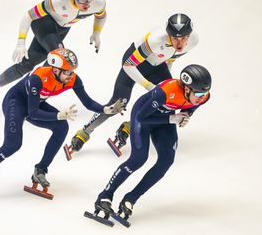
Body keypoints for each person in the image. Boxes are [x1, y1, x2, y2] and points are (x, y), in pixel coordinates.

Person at [0, 48, 125, 205]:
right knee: (12, 145)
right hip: (16, 103)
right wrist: (58, 115)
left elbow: (87, 102)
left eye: (72, 71)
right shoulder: (38, 78)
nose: (70, 76)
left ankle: (40, 170)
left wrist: (105, 109)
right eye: (67, 72)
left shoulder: (72, 79)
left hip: (36, 104)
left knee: (62, 127)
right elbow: (33, 113)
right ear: (55, 69)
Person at [87, 64, 211, 226]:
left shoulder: (203, 97)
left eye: (205, 94)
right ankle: (105, 195)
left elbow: (192, 106)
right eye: (199, 94)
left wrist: (187, 115)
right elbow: (140, 118)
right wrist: (171, 119)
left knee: (166, 161)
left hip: (165, 119)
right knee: (139, 158)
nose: (202, 97)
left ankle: (130, 199)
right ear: (186, 89)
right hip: (143, 117)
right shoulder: (165, 93)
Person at [69, 13, 199, 153]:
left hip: (157, 65)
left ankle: (130, 126)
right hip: (135, 64)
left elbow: (172, 56)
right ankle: (84, 132)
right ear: (168, 35)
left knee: (166, 101)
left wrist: (166, 76)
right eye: (174, 39)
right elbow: (128, 65)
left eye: (183, 38)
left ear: (189, 35)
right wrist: (149, 86)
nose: (179, 43)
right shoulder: (156, 40)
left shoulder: (194, 40)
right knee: (118, 103)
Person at [0, 0, 107, 108]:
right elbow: (29, 15)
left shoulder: (98, 2)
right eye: (83, 1)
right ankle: (35, 96)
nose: (87, 5)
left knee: (26, 65)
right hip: (44, 24)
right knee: (60, 59)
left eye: (90, 0)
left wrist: (96, 32)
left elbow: (101, 15)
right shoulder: (58, 1)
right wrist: (21, 42)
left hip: (61, 29)